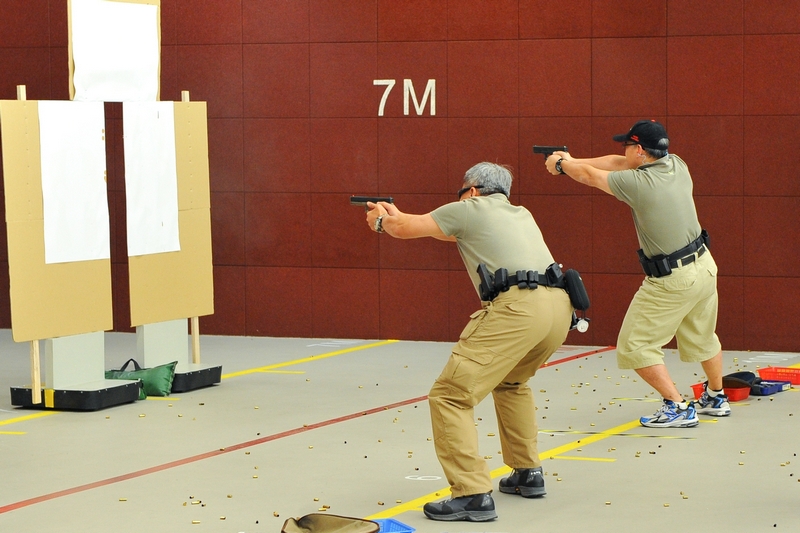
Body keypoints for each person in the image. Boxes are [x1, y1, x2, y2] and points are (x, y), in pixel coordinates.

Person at [363, 162, 574, 522]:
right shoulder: (519, 213)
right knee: (512, 382)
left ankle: (471, 493)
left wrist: (382, 222)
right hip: (558, 308)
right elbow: (441, 230)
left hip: (518, 310)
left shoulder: (469, 209)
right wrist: (399, 216)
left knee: (450, 395)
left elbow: (406, 229)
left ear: (472, 191)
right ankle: (527, 473)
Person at [544, 119, 729, 428]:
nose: (624, 151)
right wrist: (572, 158)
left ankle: (677, 406)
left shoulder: (639, 184)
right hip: (704, 268)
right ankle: (715, 396)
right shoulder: (677, 164)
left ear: (640, 150)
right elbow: (617, 163)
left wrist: (562, 166)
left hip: (672, 279)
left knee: (635, 345)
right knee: (703, 337)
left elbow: (590, 176)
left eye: (628, 145)